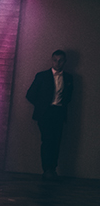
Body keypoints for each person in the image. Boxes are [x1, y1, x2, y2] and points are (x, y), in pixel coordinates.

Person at [25, 49, 74, 180]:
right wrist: (42, 106)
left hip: (59, 112)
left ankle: (52, 169)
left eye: (60, 60)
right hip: (45, 113)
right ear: (52, 61)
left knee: (56, 141)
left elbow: (69, 97)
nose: (57, 63)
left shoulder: (69, 78)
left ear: (64, 61)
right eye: (55, 60)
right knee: (47, 140)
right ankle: (47, 169)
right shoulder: (42, 76)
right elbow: (30, 94)